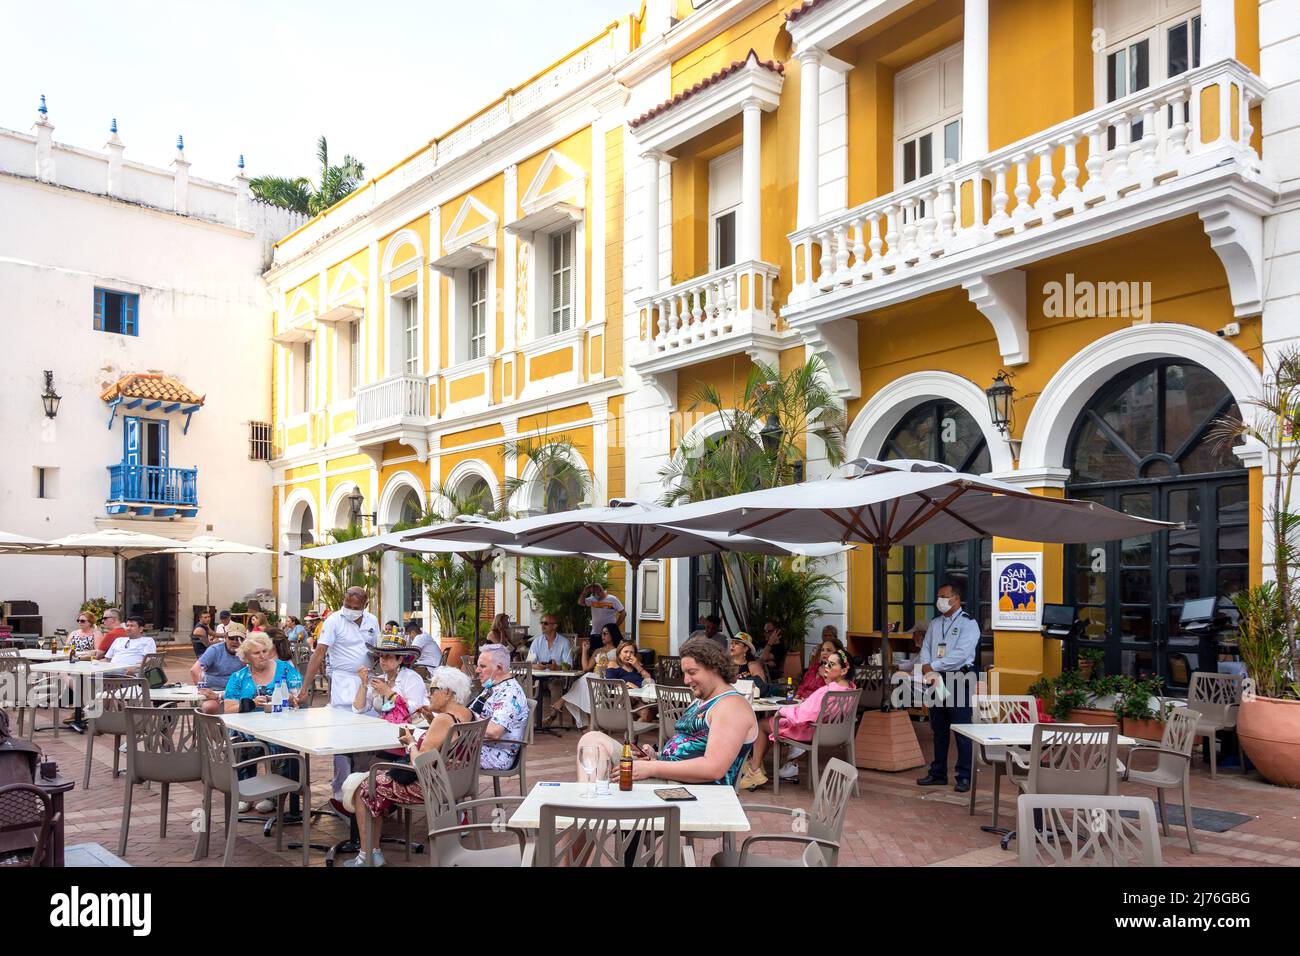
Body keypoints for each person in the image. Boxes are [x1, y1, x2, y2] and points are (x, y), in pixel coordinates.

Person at [574, 637, 757, 787]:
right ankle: (587, 812)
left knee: (609, 787)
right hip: (669, 778)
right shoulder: (703, 700)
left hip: (694, 791)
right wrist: (656, 757)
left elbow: (713, 768)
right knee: (592, 741)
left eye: (692, 672)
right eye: (685, 673)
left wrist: (652, 768)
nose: (686, 680)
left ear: (715, 667)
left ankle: (586, 819)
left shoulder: (731, 706)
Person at [341, 666, 473, 867]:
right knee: (379, 779)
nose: (429, 694)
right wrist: (431, 720)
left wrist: (410, 742)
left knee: (365, 786)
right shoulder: (467, 714)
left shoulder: (444, 720)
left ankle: (368, 855)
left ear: (448, 693)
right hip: (457, 783)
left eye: (433, 689)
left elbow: (420, 763)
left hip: (432, 786)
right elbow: (449, 742)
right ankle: (373, 850)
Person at [296, 586, 381, 798]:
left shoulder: (372, 620)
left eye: (356, 607)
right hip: (343, 682)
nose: (351, 610)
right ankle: (340, 789)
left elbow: (377, 649)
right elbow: (318, 654)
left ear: (365, 605)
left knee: (367, 737)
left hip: (367, 682)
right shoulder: (334, 620)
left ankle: (365, 787)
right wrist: (305, 687)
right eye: (347, 606)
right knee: (342, 739)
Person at [739, 647, 856, 790]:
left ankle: (754, 770)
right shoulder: (851, 690)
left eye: (831, 665)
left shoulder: (826, 691)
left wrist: (783, 711)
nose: (826, 667)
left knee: (762, 724)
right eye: (826, 663)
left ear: (843, 671)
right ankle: (756, 765)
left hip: (809, 732)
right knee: (771, 722)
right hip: (835, 734)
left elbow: (801, 718)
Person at [217, 632, 303, 812]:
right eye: (257, 653)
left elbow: (299, 695)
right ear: (246, 657)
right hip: (248, 729)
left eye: (265, 651)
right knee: (241, 742)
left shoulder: (284, 669)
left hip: (280, 725)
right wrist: (251, 703)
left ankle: (274, 795)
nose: (263, 655)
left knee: (279, 744)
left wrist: (291, 699)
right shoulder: (239, 677)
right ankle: (245, 792)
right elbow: (228, 708)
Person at [915, 582, 982, 794]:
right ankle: (938, 773)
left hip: (958, 678)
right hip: (936, 678)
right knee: (939, 728)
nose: (940, 601)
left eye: (944, 597)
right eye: (938, 596)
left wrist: (932, 665)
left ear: (956, 599)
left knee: (962, 729)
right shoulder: (935, 623)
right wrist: (927, 668)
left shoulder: (968, 624)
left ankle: (964, 776)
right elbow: (926, 647)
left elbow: (961, 654)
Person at [471, 643, 531, 771]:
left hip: (496, 754)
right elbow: (470, 713)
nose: (477, 670)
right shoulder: (491, 687)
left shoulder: (510, 693)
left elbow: (494, 731)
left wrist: (463, 723)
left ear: (498, 668)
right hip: (480, 745)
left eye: (482, 666)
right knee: (434, 742)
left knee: (438, 749)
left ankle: (443, 790)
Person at [555, 622, 624, 726]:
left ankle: (564, 701)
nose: (602, 636)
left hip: (608, 682)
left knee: (586, 679)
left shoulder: (619, 651)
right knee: (587, 680)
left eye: (605, 633)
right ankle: (590, 724)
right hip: (594, 681)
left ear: (612, 634)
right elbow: (586, 668)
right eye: (602, 633)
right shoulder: (598, 650)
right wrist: (584, 650)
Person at [353, 639, 429, 719]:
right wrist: (363, 683)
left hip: (410, 728)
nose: (383, 660)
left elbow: (414, 711)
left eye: (389, 656)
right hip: (386, 726)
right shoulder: (380, 679)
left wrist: (387, 692)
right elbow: (358, 709)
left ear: (400, 659)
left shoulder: (411, 678)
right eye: (381, 656)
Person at [527, 614, 572, 725]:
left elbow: (569, 666)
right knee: (526, 684)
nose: (543, 625)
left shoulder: (564, 642)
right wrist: (537, 666)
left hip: (555, 677)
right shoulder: (536, 642)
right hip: (538, 677)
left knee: (556, 685)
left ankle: (551, 717)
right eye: (541, 623)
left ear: (554, 626)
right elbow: (528, 663)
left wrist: (556, 667)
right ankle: (531, 720)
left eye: (546, 623)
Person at [193, 622, 247, 711]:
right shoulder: (215, 650)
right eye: (231, 638)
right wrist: (202, 690)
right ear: (225, 637)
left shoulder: (247, 652)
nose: (235, 641)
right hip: (214, 691)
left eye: (239, 639)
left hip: (237, 692)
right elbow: (195, 670)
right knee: (210, 707)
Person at [795, 631, 848, 699]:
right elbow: (803, 686)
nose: (824, 653)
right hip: (803, 702)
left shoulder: (838, 672)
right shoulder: (815, 668)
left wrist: (824, 676)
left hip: (821, 705)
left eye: (829, 650)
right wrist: (798, 695)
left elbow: (836, 693)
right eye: (823, 650)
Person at [578, 583, 625, 655]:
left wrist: (615, 626)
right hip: (595, 633)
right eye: (592, 593)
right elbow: (580, 602)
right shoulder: (592, 599)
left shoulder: (612, 599)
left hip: (609, 634)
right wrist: (585, 591)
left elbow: (623, 613)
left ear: (601, 591)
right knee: (594, 655)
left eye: (595, 593)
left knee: (610, 653)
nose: (593, 595)